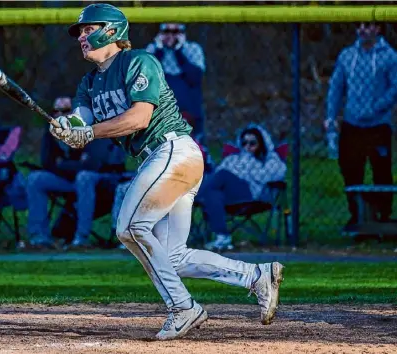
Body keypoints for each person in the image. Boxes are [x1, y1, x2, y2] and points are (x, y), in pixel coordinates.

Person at [49, 3, 284, 341]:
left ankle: (183, 307)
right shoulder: (88, 83)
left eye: (89, 29)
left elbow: (140, 118)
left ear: (112, 31)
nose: (82, 37)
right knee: (173, 257)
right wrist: (66, 128)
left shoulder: (137, 61)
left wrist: (89, 132)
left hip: (172, 150)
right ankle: (255, 275)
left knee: (130, 227)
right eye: (81, 33)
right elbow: (81, 122)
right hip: (159, 161)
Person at [326, 21, 397, 233]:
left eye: (368, 25)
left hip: (378, 125)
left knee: (381, 171)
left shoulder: (390, 57)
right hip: (352, 125)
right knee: (350, 170)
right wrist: (331, 116)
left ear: (378, 29)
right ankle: (357, 215)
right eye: (359, 25)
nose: (362, 29)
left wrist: (376, 107)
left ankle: (383, 215)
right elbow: (336, 87)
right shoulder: (347, 56)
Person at [25, 96, 125, 249]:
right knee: (35, 178)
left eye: (64, 111)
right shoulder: (52, 129)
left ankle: (81, 238)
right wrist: (75, 164)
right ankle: (39, 238)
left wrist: (62, 164)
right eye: (55, 111)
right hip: (68, 179)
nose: (59, 115)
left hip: (100, 179)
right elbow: (47, 163)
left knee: (83, 178)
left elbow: (92, 164)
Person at [198, 124, 287, 251]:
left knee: (222, 175)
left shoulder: (270, 160)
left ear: (261, 144)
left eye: (252, 143)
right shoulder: (233, 158)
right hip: (227, 195)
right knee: (213, 194)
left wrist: (246, 169)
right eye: (244, 143)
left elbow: (276, 174)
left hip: (250, 195)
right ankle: (223, 237)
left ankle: (190, 198)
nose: (247, 147)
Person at [146, 23, 206, 143]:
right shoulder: (153, 49)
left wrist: (179, 52)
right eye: (167, 32)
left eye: (175, 32)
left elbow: (195, 78)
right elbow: (147, 77)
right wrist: (159, 51)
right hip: (161, 107)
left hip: (188, 107)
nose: (170, 36)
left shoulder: (193, 49)